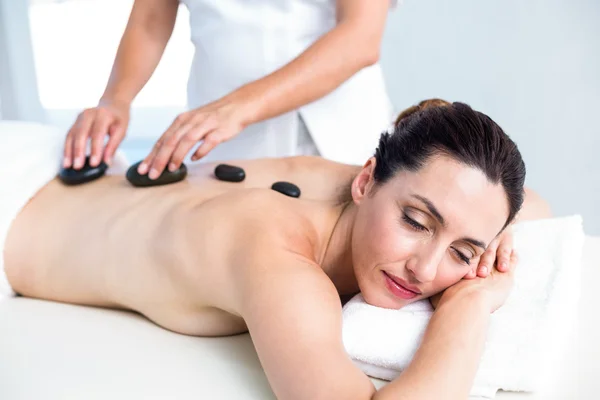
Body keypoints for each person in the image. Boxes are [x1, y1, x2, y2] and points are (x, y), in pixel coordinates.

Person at [3, 100, 551, 399]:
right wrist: (471, 305)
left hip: (50, 166)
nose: (425, 268)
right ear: (366, 181)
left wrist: (472, 234)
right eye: (416, 222)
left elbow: (536, 204)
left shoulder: (340, 188)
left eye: (463, 253)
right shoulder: (280, 261)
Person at [62, 0, 398, 181]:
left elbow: (360, 37)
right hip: (220, 137)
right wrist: (115, 100)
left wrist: (237, 108)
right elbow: (150, 19)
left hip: (331, 130)